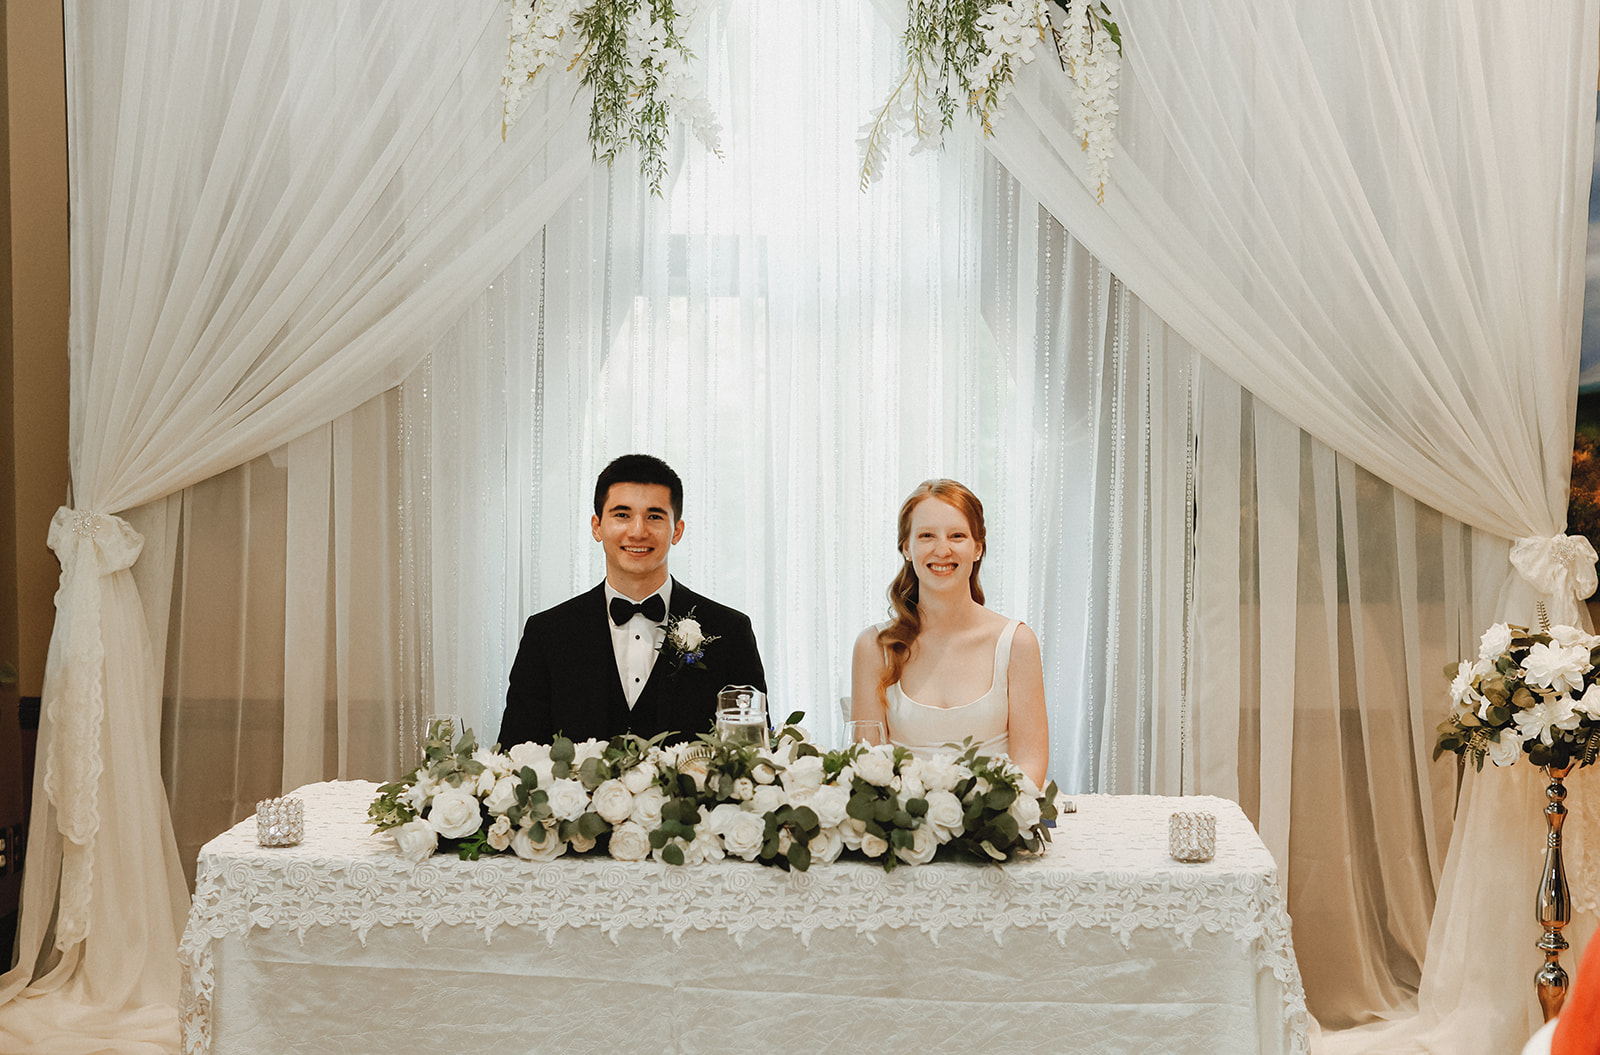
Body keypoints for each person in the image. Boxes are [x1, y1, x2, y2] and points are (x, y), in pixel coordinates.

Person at [497, 454, 767, 748]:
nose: (638, 531)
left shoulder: (730, 631)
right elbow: (517, 755)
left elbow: (752, 755)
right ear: (597, 526)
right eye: (622, 515)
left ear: (676, 531)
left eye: (654, 516)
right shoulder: (547, 633)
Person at [850, 479, 1048, 786]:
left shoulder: (1017, 643)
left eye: (957, 536)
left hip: (996, 829)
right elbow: (868, 767)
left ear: (978, 548)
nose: (942, 550)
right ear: (907, 548)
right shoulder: (874, 647)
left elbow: (1031, 763)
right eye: (926, 536)